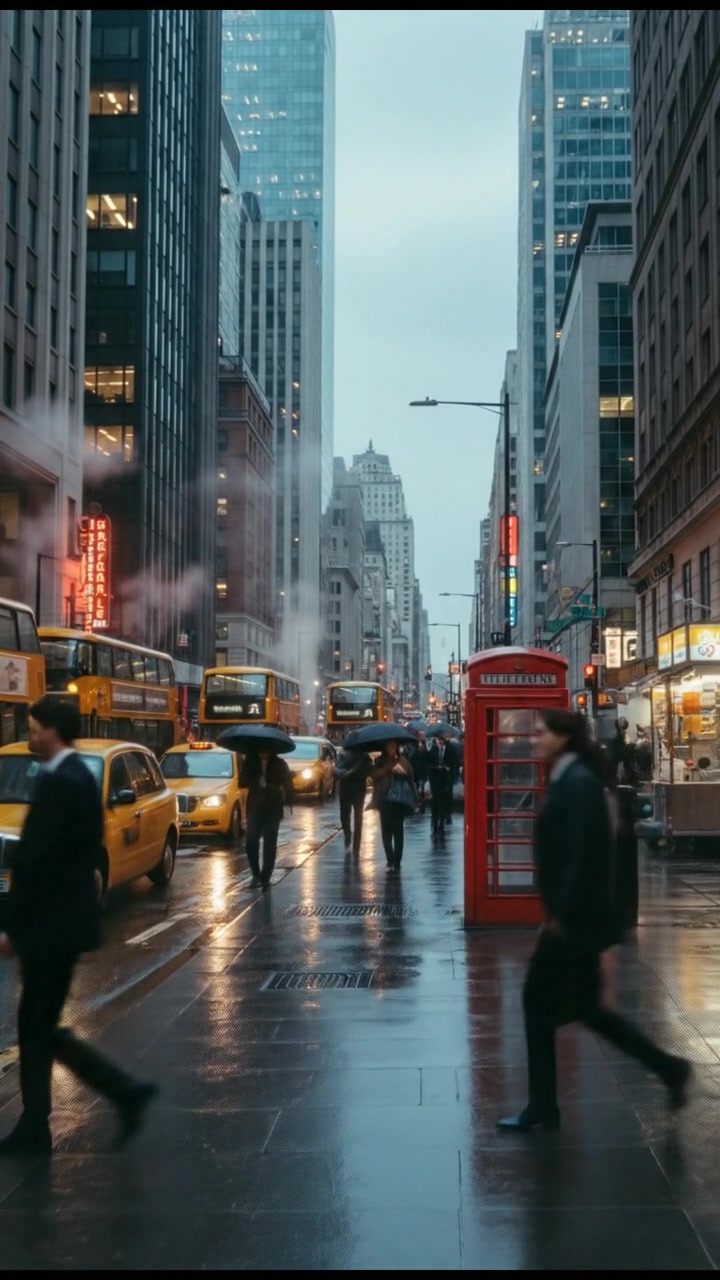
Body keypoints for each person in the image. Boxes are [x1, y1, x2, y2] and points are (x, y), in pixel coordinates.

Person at [497, 708, 691, 1133]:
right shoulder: (570, 775)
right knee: (588, 1011)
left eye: (542, 732)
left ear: (564, 736)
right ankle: (669, 1068)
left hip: (574, 920)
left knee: (537, 1004)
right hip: (576, 918)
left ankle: (544, 1107)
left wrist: (559, 915)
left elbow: (585, 854)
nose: (536, 739)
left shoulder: (578, 782)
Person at [0, 696, 157, 1156]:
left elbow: (41, 862)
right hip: (56, 926)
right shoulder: (67, 777)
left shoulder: (65, 781)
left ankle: (110, 1097)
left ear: (53, 731)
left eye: (35, 727)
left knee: (37, 1026)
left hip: (51, 929)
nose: (31, 735)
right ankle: (57, 1116)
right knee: (40, 1026)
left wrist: (14, 926)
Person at [240, 751, 294, 889]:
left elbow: (288, 784)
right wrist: (243, 815)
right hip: (254, 807)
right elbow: (243, 786)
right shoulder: (250, 763)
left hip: (273, 808)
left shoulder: (280, 764)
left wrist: (288, 800)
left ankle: (266, 877)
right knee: (251, 841)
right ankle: (255, 873)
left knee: (270, 842)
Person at [371, 740, 415, 873]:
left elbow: (411, 777)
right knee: (386, 831)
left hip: (398, 801)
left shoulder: (403, 760)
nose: (392, 748)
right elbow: (375, 776)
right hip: (384, 800)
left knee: (398, 831)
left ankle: (397, 861)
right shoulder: (380, 761)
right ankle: (390, 858)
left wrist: (402, 771)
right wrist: (389, 768)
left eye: (394, 746)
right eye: (389, 746)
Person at [334, 745, 372, 855]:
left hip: (348, 789)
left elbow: (337, 771)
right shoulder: (361, 756)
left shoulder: (345, 755)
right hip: (356, 790)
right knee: (355, 818)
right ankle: (354, 842)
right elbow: (369, 771)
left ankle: (349, 837)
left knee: (348, 815)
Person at [427, 735, 460, 837]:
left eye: (441, 740)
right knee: (435, 802)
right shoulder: (432, 750)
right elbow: (428, 764)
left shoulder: (451, 750)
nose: (440, 742)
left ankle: (442, 822)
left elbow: (455, 764)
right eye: (438, 740)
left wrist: (450, 771)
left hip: (446, 780)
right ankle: (434, 822)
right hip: (435, 780)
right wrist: (435, 768)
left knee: (444, 802)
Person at [408, 736, 429, 812]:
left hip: (421, 773)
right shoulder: (415, 754)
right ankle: (420, 802)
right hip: (418, 774)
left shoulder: (423, 753)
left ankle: (421, 803)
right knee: (418, 789)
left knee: (421, 788)